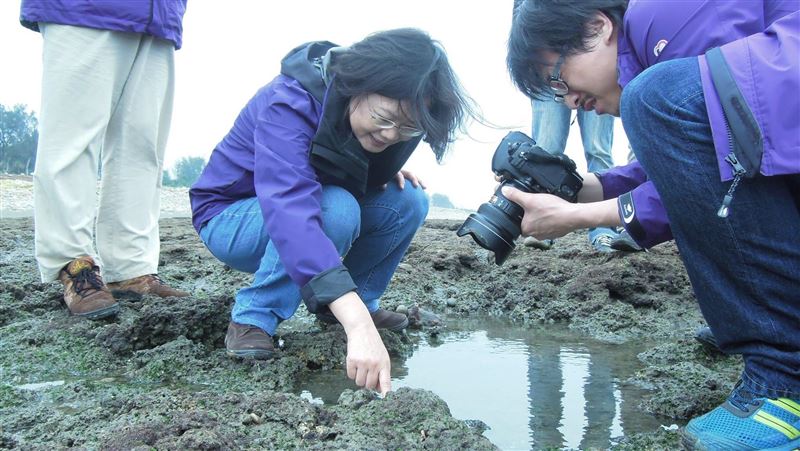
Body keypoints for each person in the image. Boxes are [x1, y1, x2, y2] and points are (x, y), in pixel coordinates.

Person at [506, 1, 799, 449]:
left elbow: (728, 155)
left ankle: (786, 379)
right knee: (659, 100)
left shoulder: (667, 15)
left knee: (654, 97)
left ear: (599, 27)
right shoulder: (654, 46)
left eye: (558, 79)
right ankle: (768, 325)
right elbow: (696, 156)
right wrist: (582, 187)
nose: (569, 101)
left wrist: (578, 218)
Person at [189, 28, 473, 395]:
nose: (390, 135)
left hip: (310, 209)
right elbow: (291, 205)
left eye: (407, 128)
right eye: (384, 118)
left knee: (408, 200)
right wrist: (359, 327)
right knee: (335, 209)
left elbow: (343, 172)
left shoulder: (388, 128)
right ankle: (253, 317)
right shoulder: (290, 101)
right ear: (356, 85)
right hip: (229, 217)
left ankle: (350, 304)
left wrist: (379, 173)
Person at [20, 0, 190, 320]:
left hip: (159, 16)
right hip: (83, 8)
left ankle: (132, 267)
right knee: (72, 140)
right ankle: (75, 266)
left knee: (143, 148)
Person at [512, 0, 621, 254]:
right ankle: (543, 222)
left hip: (581, 53)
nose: (572, 103)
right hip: (548, 62)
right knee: (544, 152)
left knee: (598, 148)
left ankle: (603, 228)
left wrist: (576, 214)